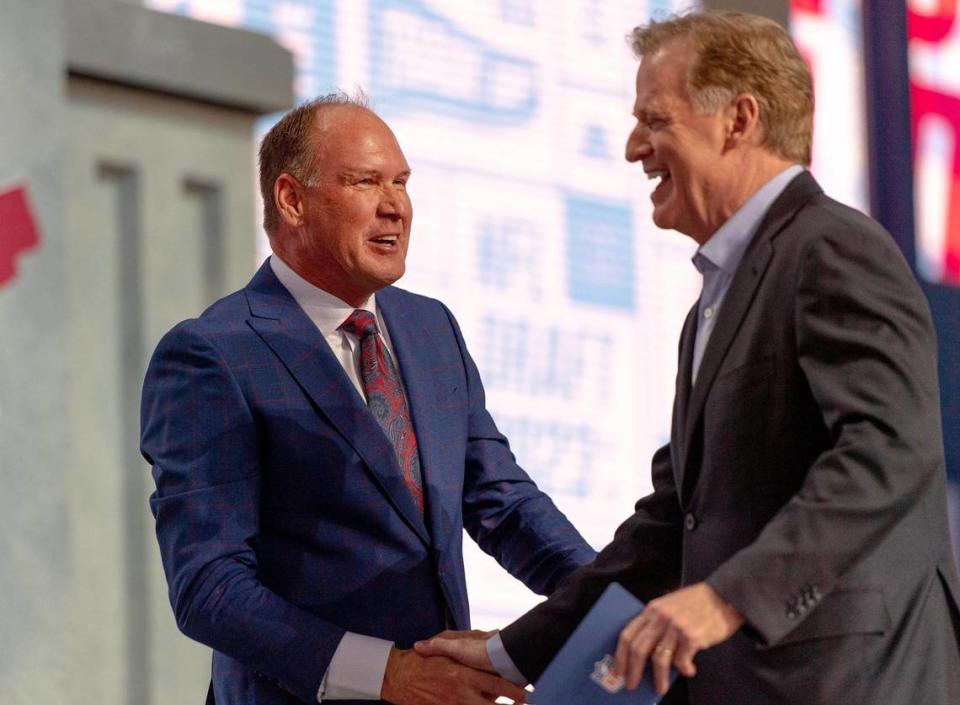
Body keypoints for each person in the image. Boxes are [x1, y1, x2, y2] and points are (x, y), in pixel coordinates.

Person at [416, 11, 960, 705]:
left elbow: (888, 455)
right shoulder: (714, 300)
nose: (632, 146)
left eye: (653, 118)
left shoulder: (832, 248)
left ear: (738, 119)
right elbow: (672, 524)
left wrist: (727, 598)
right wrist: (513, 651)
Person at [140, 93, 596, 705]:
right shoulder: (211, 354)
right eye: (365, 182)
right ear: (291, 199)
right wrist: (389, 674)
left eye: (403, 183)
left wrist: (614, 605)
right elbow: (209, 586)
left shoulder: (431, 329)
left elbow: (504, 505)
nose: (396, 207)